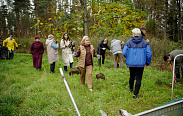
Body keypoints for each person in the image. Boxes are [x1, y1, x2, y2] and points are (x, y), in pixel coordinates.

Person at [123, 28, 152, 99]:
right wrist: (147, 63)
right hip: (141, 64)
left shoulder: (128, 42)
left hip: (131, 63)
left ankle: (131, 89)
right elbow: (149, 54)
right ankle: (135, 94)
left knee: (132, 76)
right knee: (139, 78)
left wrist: (129, 57)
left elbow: (124, 53)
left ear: (133, 34)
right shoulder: (145, 43)